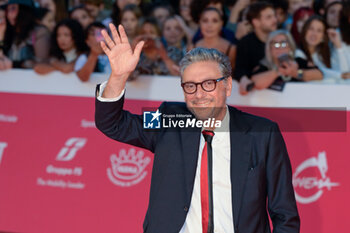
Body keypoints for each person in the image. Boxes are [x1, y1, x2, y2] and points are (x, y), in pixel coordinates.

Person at [95, 23, 300, 233]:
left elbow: (285, 215)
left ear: (228, 86)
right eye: (190, 86)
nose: (199, 94)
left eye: (208, 83)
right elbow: (113, 123)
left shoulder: (262, 133)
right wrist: (118, 77)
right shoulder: (169, 119)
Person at [250, 30, 323, 91]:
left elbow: (319, 75)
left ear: (290, 47)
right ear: (269, 48)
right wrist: (278, 72)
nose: (280, 48)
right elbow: (255, 83)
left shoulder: (299, 62)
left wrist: (296, 73)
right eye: (275, 44)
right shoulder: (264, 66)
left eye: (284, 43)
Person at [234, 1, 277, 95]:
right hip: (254, 97)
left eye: (274, 16)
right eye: (269, 17)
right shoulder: (245, 43)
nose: (274, 20)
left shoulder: (282, 39)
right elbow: (239, 70)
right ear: (256, 22)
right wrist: (244, 79)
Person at [297, 15, 350, 80]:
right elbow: (317, 72)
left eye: (319, 31)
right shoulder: (298, 54)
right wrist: (338, 75)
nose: (314, 33)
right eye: (311, 29)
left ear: (323, 36)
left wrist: (338, 46)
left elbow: (345, 75)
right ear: (304, 31)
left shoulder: (325, 55)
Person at [5, 0, 51, 68]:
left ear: (24, 11)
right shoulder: (10, 34)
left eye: (13, 8)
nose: (9, 14)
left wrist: (15, 64)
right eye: (7, 10)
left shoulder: (39, 32)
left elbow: (42, 64)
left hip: (33, 78)